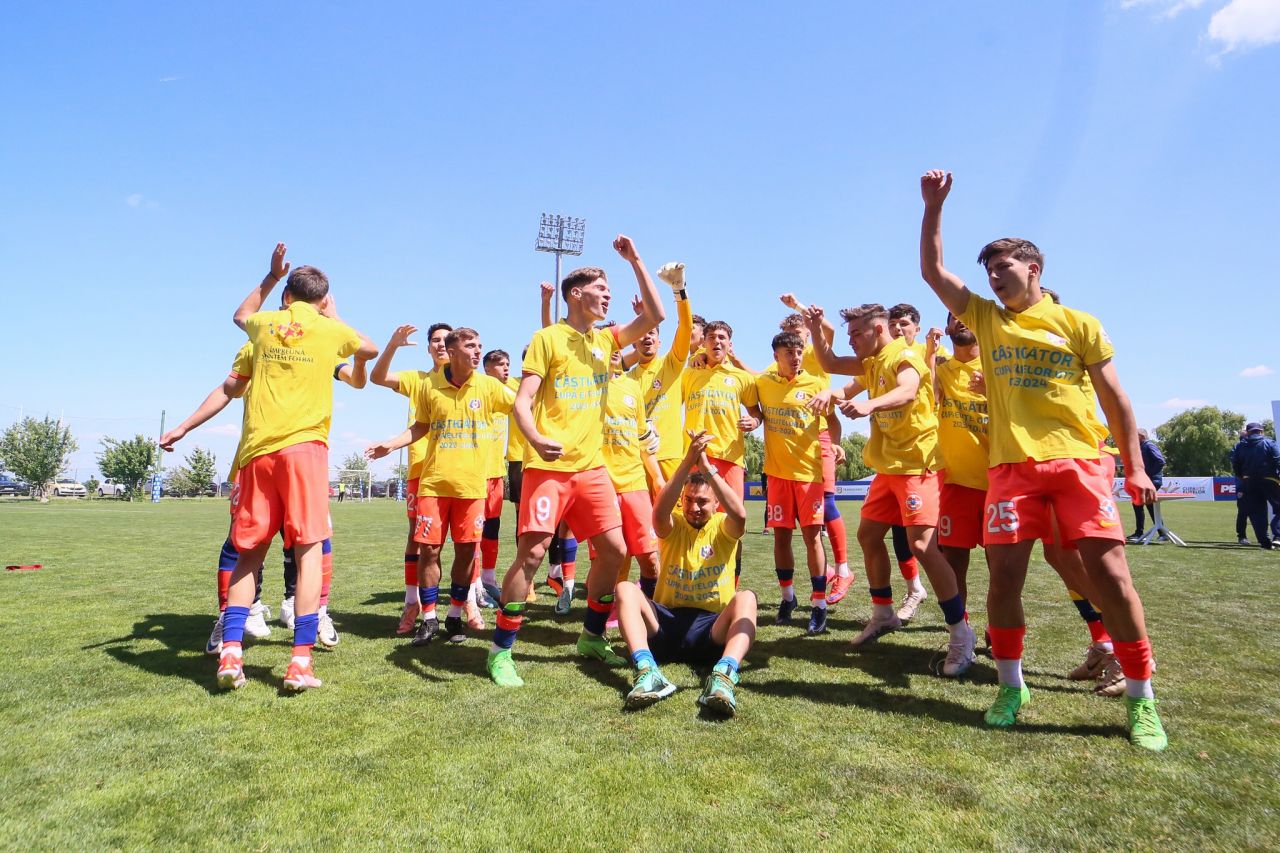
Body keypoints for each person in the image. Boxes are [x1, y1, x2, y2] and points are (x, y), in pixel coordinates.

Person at [919, 169, 1167, 750]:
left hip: (1080, 463)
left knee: (1111, 578)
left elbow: (1116, 399)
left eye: (1004, 266)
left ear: (1035, 269)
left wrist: (1133, 466)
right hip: (1011, 471)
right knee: (1005, 580)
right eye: (988, 270)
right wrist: (933, 208)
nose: (994, 277)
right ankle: (1011, 687)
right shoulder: (986, 318)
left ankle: (1141, 699)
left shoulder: (1077, 323)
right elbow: (932, 271)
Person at [487, 235, 665, 687]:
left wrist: (635, 261)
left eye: (609, 289)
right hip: (548, 469)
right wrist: (536, 438)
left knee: (616, 550)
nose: (607, 295)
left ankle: (590, 637)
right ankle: (501, 651)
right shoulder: (547, 339)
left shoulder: (606, 341)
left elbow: (655, 315)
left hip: (592, 468)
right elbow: (522, 403)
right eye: (599, 289)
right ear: (575, 294)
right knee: (532, 555)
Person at [216, 247, 378, 691]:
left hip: (257, 452)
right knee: (307, 553)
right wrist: (331, 313)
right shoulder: (329, 331)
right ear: (323, 301)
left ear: (286, 296)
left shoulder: (266, 325)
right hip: (305, 451)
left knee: (249, 553)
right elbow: (369, 346)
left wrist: (270, 277)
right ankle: (300, 662)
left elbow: (240, 312)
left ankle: (231, 655)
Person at [160, 337, 365, 654]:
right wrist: (185, 426)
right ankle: (237, 614)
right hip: (256, 458)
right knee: (240, 542)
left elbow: (355, 376)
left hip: (303, 460)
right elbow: (227, 388)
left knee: (313, 541)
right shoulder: (258, 341)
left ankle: (310, 610)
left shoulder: (319, 339)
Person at [806, 305, 974, 674]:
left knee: (922, 547)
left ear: (879, 329)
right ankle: (883, 613)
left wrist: (869, 403)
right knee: (868, 535)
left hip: (918, 464)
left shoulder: (904, 354)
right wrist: (817, 328)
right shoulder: (871, 362)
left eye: (857, 335)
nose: (851, 341)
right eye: (849, 336)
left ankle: (961, 634)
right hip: (888, 467)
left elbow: (909, 390)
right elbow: (831, 362)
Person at [367, 327, 516, 644]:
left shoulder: (489, 387)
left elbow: (522, 406)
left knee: (465, 553)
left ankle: (455, 616)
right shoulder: (428, 386)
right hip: (433, 484)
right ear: (452, 349)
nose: (478, 351)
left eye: (480, 345)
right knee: (429, 550)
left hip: (472, 488)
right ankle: (429, 617)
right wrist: (391, 445)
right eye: (471, 346)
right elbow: (420, 426)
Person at [614, 431, 756, 716]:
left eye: (702, 501)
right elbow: (658, 513)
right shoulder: (674, 526)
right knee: (625, 589)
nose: (694, 507)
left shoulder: (724, 528)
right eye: (689, 500)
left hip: (711, 630)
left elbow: (739, 515)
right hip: (667, 623)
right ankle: (647, 671)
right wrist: (688, 461)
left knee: (748, 598)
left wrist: (707, 468)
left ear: (716, 505)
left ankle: (724, 677)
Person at [742, 331, 837, 635]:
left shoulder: (816, 384)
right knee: (780, 538)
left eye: (799, 352)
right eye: (790, 353)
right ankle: (788, 598)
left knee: (813, 539)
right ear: (776, 356)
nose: (796, 357)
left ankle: (819, 605)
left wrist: (834, 444)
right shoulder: (763, 384)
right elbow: (753, 407)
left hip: (809, 476)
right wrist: (753, 422)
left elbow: (833, 420)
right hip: (778, 475)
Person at [370, 322, 452, 635]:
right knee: (418, 537)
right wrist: (392, 344)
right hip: (423, 471)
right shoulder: (418, 380)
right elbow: (377, 378)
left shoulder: (473, 381)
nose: (441, 344)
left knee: (467, 540)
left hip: (463, 471)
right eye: (435, 340)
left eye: (447, 339)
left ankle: (468, 598)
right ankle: (412, 602)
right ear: (429, 347)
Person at [627, 261, 694, 484]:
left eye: (652, 333)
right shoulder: (626, 380)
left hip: (670, 458)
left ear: (659, 340)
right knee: (642, 520)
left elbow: (685, 326)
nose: (646, 336)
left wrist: (679, 290)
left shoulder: (671, 365)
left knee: (673, 519)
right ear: (632, 342)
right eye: (642, 333)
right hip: (636, 463)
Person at [1232, 422, 1280, 550]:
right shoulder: (1269, 443)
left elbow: (1236, 465)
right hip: (1270, 480)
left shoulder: (1240, 446)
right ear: (1261, 431)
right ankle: (1278, 537)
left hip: (1249, 482)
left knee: (1257, 513)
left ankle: (1265, 543)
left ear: (1247, 432)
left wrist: (1243, 478)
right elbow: (1278, 460)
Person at [1127, 429, 1165, 542]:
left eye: (1135, 436)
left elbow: (1160, 461)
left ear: (1141, 436)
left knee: (1141, 505)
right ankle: (1160, 533)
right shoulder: (1142, 446)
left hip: (1151, 481)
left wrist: (1147, 475)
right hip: (1146, 481)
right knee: (1142, 505)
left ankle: (1141, 533)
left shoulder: (1149, 446)